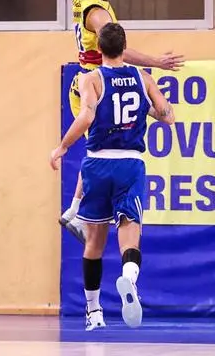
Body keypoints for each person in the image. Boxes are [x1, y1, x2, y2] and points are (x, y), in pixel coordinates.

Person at [60, 0, 184, 243]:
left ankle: (74, 211)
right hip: (94, 82)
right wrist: (156, 62)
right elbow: (117, 48)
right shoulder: (98, 16)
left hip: (98, 80)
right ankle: (75, 213)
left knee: (99, 150)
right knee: (99, 150)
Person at [50, 22, 175, 331]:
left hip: (98, 164)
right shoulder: (143, 77)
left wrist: (63, 146)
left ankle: (94, 313)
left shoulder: (90, 78)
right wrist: (150, 110)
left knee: (93, 243)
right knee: (130, 231)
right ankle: (129, 278)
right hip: (130, 164)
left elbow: (87, 116)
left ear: (99, 49)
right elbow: (167, 114)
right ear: (124, 47)